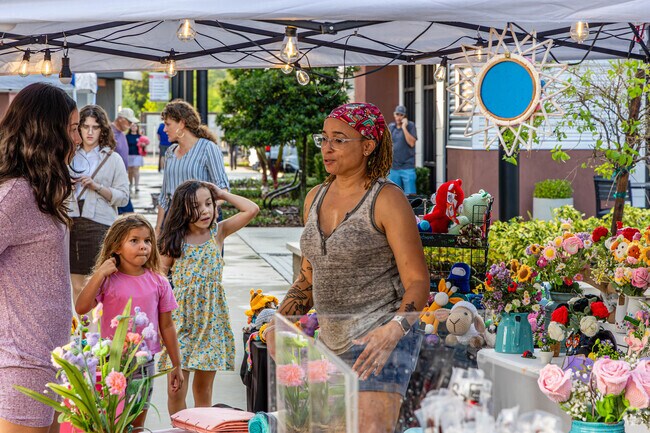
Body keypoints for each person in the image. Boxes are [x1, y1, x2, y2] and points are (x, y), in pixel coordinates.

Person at [265, 103, 429, 432]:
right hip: (330, 342)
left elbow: (418, 282)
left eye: (339, 140)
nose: (327, 147)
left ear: (368, 146)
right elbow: (309, 275)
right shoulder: (314, 197)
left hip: (379, 342)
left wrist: (393, 331)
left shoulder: (387, 199)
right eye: (323, 138)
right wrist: (279, 321)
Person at [0, 83, 81, 433]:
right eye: (74, 128)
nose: (78, 138)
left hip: (49, 358)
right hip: (22, 364)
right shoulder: (15, 193)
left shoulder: (39, 190)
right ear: (48, 131)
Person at [157, 180, 259, 412]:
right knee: (176, 390)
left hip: (210, 323)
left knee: (203, 391)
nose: (205, 210)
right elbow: (159, 280)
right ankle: (179, 429)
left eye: (209, 203)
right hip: (179, 322)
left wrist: (222, 193)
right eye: (196, 206)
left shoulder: (218, 232)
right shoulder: (174, 241)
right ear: (182, 210)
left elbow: (251, 209)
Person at [75, 214, 183, 429]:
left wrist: (176, 364)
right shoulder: (107, 280)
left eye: (147, 241)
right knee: (111, 423)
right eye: (134, 241)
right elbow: (81, 307)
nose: (143, 246)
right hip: (110, 360)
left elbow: (167, 325)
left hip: (143, 362)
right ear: (116, 246)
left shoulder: (158, 281)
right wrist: (99, 274)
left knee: (136, 423)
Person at [69, 105, 129, 306]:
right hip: (70, 222)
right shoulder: (68, 155)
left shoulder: (113, 159)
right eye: (85, 126)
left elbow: (124, 197)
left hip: (99, 224)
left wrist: (98, 187)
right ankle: (82, 333)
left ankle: (97, 333)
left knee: (96, 283)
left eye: (95, 127)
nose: (89, 132)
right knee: (75, 283)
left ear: (103, 129)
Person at [155, 100, 229, 235]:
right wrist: (158, 229)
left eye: (167, 124)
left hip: (202, 220)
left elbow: (223, 188)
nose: (164, 129)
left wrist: (204, 210)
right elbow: (164, 197)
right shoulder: (170, 152)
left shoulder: (208, 148)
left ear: (182, 123)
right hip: (175, 220)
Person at [113, 108, 139, 214]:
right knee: (128, 213)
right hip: (114, 181)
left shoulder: (122, 134)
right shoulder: (110, 132)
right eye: (128, 121)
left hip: (122, 178)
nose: (130, 124)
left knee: (127, 214)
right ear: (120, 119)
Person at [387, 105, 418, 195]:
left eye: (401, 115)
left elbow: (411, 143)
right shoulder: (391, 127)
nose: (399, 117)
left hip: (407, 167)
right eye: (397, 114)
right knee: (393, 195)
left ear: (404, 117)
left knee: (411, 197)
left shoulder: (410, 126)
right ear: (394, 115)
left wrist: (404, 127)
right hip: (394, 168)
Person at [126, 123, 144, 192]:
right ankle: (131, 184)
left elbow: (145, 145)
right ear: (130, 127)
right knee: (130, 171)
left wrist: (143, 145)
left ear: (137, 127)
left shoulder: (140, 136)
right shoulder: (127, 136)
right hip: (129, 155)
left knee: (136, 169)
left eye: (135, 126)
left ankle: (137, 186)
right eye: (132, 126)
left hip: (137, 155)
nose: (133, 127)